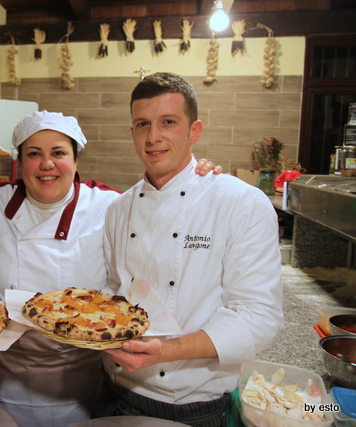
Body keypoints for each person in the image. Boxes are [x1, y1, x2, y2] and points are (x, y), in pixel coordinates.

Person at [0, 110, 221, 427]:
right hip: (10, 378)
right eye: (34, 154)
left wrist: (198, 177)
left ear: (76, 160)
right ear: (19, 162)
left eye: (59, 153)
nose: (47, 164)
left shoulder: (109, 204)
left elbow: (168, 207)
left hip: (86, 378)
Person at [99, 72, 284, 426]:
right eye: (142, 124)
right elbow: (114, 288)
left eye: (168, 122)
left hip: (192, 406)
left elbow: (258, 316)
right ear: (132, 132)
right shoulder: (118, 209)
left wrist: (166, 351)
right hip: (114, 390)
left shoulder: (240, 203)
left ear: (194, 131)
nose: (153, 137)